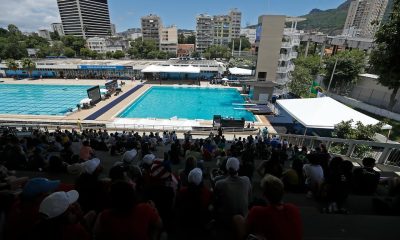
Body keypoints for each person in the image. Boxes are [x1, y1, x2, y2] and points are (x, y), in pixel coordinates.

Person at [94, 181, 162, 240]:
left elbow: (96, 234)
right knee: (163, 234)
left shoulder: (104, 215)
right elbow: (159, 224)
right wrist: (155, 210)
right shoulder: (145, 208)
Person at [246, 175, 302, 240]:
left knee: (238, 218)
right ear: (283, 192)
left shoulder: (257, 211)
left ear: (264, 194)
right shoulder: (294, 209)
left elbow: (246, 230)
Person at [176, 168, 212, 239]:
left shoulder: (182, 192)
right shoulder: (207, 193)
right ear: (201, 180)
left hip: (185, 224)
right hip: (201, 225)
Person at [214, 157, 252, 224]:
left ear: (226, 168)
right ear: (238, 168)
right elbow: (249, 198)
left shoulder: (219, 183)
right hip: (244, 218)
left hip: (226, 220)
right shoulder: (246, 180)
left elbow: (216, 201)